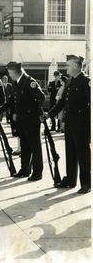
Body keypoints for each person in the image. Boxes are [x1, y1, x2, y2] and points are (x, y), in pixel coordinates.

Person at [46, 55, 90, 194]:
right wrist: (49, 114)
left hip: (82, 125)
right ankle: (70, 180)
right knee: (70, 153)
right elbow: (62, 102)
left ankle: (86, 184)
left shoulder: (86, 81)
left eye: (68, 65)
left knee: (83, 155)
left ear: (76, 66)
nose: (66, 68)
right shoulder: (70, 82)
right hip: (70, 123)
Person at [0, 61, 45, 181]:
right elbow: (11, 101)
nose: (9, 74)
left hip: (31, 120)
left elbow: (41, 98)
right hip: (22, 120)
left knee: (35, 147)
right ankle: (25, 170)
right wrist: (0, 110)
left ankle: (37, 172)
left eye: (9, 72)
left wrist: (30, 111)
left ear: (14, 72)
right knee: (24, 146)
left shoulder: (29, 81)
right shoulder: (16, 83)